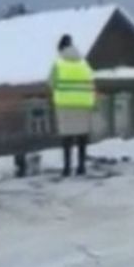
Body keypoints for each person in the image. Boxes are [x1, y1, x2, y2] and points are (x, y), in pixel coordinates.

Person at [50, 34, 97, 177]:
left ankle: (67, 168)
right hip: (83, 105)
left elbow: (51, 82)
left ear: (61, 48)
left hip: (65, 105)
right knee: (82, 137)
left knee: (67, 138)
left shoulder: (59, 64)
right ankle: (81, 167)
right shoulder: (84, 63)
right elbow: (91, 81)